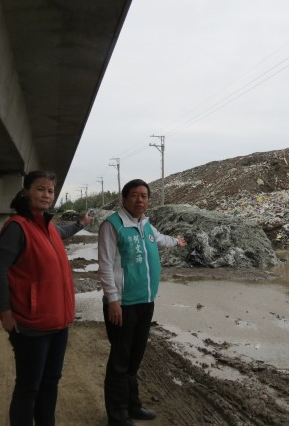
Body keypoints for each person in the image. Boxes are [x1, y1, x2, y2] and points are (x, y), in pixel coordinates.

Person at [0, 170, 92, 426]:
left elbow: (63, 231)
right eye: (40, 189)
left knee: (51, 381)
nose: (46, 195)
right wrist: (5, 312)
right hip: (31, 325)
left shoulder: (47, 227)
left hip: (58, 322)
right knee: (29, 387)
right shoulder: (17, 227)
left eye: (50, 191)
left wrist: (81, 223)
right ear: (26, 191)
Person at [98, 179, 187, 426]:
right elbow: (105, 265)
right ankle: (117, 415)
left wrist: (176, 241)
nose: (140, 200)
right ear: (124, 199)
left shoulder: (147, 225)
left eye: (145, 196)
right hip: (122, 304)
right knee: (120, 360)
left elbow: (161, 240)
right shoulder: (112, 225)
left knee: (134, 358)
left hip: (146, 301)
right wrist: (113, 299)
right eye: (135, 195)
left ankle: (133, 406)